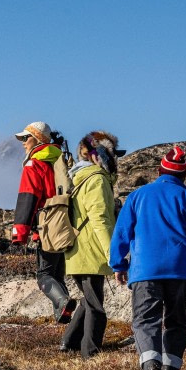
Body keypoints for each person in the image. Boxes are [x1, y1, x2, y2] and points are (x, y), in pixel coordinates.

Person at [109, 145, 186, 370]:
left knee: (146, 319)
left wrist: (118, 264)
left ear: (159, 171)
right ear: (184, 174)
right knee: (177, 321)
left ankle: (150, 363)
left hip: (145, 270)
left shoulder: (138, 195)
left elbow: (122, 232)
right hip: (180, 271)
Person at [60, 131, 121, 358]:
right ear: (102, 155)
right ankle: (91, 352)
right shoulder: (96, 180)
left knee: (88, 300)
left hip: (75, 250)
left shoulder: (76, 176)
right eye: (114, 154)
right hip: (91, 251)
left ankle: (68, 342)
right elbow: (100, 219)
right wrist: (112, 254)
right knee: (96, 305)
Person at [11, 121, 73, 323]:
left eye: (25, 138)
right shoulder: (59, 160)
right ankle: (65, 322)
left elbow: (27, 198)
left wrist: (19, 233)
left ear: (37, 139)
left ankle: (63, 302)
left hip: (46, 226)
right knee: (57, 274)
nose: (22, 142)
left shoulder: (34, 164)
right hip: (66, 223)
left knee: (44, 275)